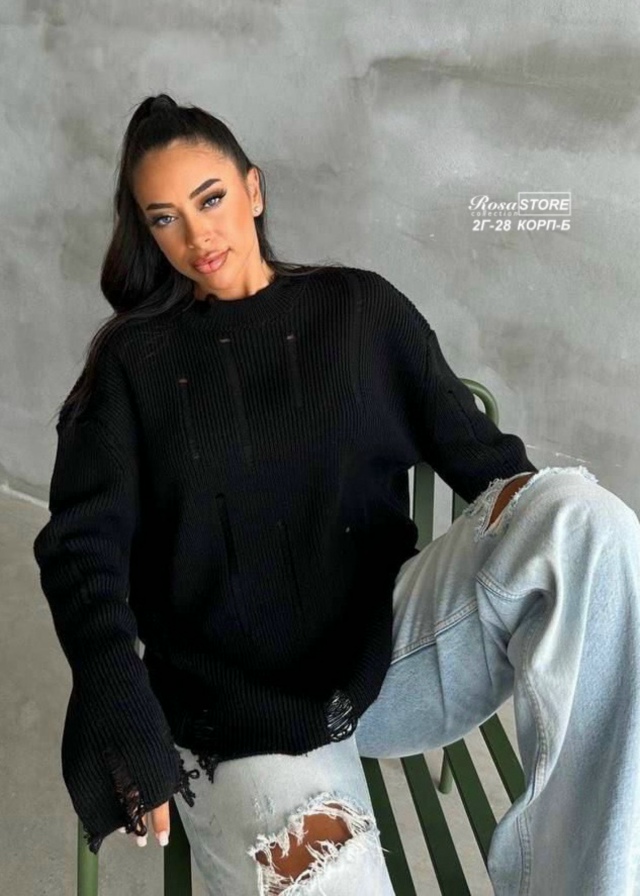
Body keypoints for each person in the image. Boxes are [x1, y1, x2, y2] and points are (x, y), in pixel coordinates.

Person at [32, 92, 640, 896]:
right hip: (235, 708)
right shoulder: (133, 366)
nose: (197, 236)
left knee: (588, 521)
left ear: (254, 189)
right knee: (327, 878)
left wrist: (536, 535)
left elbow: (490, 466)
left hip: (391, 653)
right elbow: (80, 548)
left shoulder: (359, 309)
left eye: (210, 199)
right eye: (165, 218)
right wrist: (118, 699)